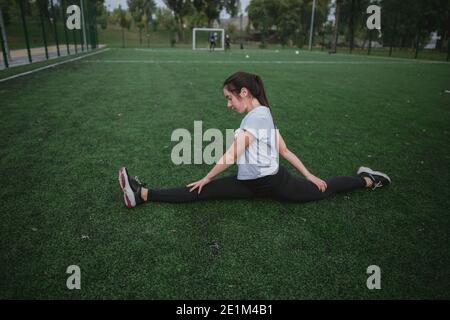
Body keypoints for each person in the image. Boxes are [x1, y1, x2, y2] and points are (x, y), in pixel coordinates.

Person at [118, 71, 391, 208]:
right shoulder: (261, 114)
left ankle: (368, 179)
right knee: (200, 193)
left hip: (274, 184)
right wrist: (207, 182)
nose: (228, 104)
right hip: (248, 183)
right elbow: (284, 150)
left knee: (324, 189)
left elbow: (232, 156)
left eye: (229, 98)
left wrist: (309, 176)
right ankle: (141, 194)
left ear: (245, 92)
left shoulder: (257, 117)